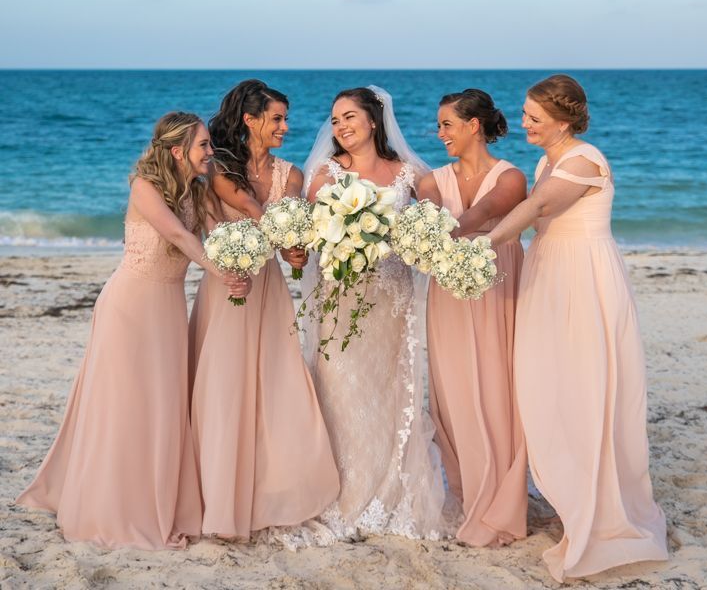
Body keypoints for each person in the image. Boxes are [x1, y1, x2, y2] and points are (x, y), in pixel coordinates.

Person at [17, 113, 246, 550]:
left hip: (168, 311)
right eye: (203, 146)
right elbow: (178, 235)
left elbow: (217, 233)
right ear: (178, 150)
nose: (210, 152)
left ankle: (156, 501)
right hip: (129, 307)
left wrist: (250, 251)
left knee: (163, 406)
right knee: (123, 405)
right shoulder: (144, 186)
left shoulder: (196, 193)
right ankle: (114, 507)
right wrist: (221, 272)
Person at [486, 74, 668, 582]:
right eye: (523, 114)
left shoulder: (585, 160)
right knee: (546, 385)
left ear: (563, 120)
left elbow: (538, 207)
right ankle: (570, 491)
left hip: (583, 284)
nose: (523, 123)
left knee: (585, 388)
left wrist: (484, 246)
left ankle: (599, 508)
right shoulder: (548, 159)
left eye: (532, 117)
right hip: (549, 276)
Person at [188, 79, 339, 540]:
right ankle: (216, 492)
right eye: (276, 118)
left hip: (268, 287)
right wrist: (267, 234)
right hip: (227, 283)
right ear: (250, 120)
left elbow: (288, 239)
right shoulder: (218, 168)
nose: (285, 127)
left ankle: (272, 486)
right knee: (224, 381)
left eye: (286, 119)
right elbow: (233, 216)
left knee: (274, 379)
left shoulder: (290, 176)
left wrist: (297, 252)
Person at [300, 85, 446, 541]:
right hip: (339, 301)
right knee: (338, 388)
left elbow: (432, 232)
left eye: (349, 117)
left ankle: (389, 487)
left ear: (374, 120)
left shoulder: (411, 175)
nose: (341, 127)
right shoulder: (325, 175)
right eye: (335, 119)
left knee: (389, 392)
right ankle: (339, 491)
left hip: (390, 302)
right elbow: (306, 238)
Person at [418, 88, 528, 547]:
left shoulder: (512, 177)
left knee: (500, 384)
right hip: (447, 291)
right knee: (455, 385)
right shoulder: (428, 183)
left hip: (498, 281)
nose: (438, 132)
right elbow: (417, 224)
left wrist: (441, 232)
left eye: (446, 124)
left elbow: (487, 212)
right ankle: (467, 491)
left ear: (473, 126)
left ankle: (503, 498)